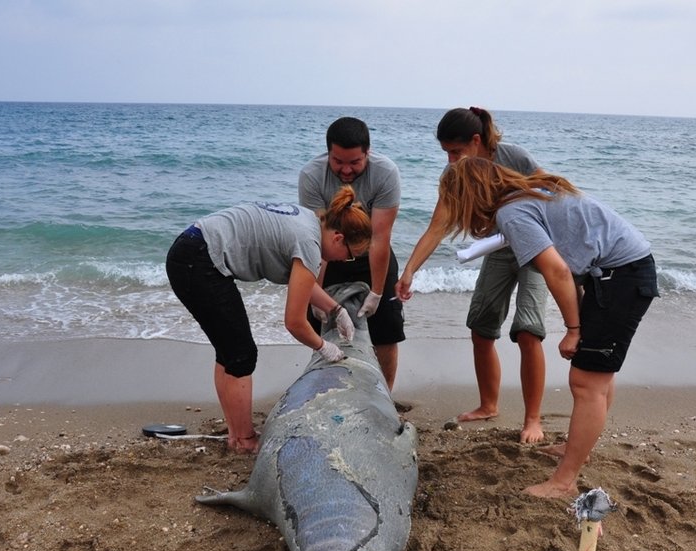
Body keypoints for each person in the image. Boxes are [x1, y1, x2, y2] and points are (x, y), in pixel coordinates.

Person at [396, 157, 658, 499]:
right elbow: (573, 260)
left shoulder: (512, 213)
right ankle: (578, 447)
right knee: (596, 376)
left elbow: (557, 271)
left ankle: (564, 481)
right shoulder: (531, 194)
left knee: (586, 381)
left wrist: (574, 328)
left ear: (470, 197)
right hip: (618, 272)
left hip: (621, 276)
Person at [166, 187, 372, 454]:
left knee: (229, 352)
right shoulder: (309, 244)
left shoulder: (309, 222)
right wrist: (324, 348)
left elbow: (304, 285)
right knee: (241, 355)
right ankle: (245, 439)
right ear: (338, 237)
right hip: (199, 261)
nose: (346, 261)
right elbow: (295, 322)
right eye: (349, 254)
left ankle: (235, 434)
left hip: (192, 249)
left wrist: (336, 310)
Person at [399, 106, 549, 443]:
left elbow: (550, 192)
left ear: (477, 140)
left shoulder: (514, 157)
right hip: (497, 249)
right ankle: (488, 405)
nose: (451, 161)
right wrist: (409, 270)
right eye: (446, 153)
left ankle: (534, 420)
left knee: (528, 331)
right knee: (481, 328)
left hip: (536, 248)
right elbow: (438, 226)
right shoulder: (456, 174)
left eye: (456, 151)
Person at [299, 117, 405, 391]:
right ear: (328, 153)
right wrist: (315, 293)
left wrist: (378, 291)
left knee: (386, 329)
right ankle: (326, 387)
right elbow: (317, 241)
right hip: (329, 256)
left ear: (367, 153)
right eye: (338, 161)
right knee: (321, 325)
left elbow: (380, 239)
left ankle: (384, 395)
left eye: (354, 162)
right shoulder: (312, 175)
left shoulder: (385, 173)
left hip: (372, 255)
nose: (346, 169)